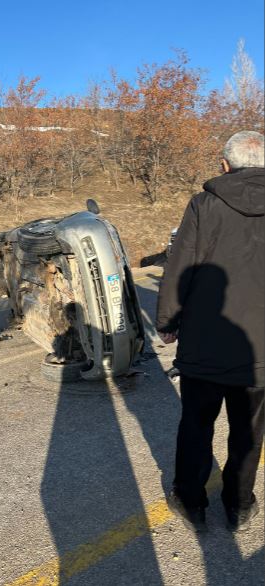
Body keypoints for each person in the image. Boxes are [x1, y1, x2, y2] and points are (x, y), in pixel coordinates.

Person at [156, 130, 264, 533]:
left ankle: (191, 501)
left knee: (197, 425)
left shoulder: (204, 205)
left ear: (225, 165)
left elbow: (181, 266)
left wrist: (167, 321)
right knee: (249, 430)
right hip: (259, 349)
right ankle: (239, 504)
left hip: (204, 342)